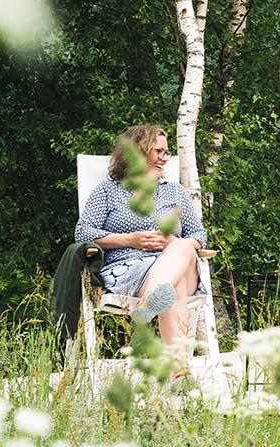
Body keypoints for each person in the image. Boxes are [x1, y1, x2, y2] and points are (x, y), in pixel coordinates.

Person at [75, 124, 206, 352]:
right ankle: (179, 374)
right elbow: (83, 232)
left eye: (167, 152)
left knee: (183, 246)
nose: (164, 158)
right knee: (174, 285)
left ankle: (149, 301)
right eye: (158, 151)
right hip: (129, 271)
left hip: (180, 263)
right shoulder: (107, 191)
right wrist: (129, 240)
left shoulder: (175, 192)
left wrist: (171, 243)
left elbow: (199, 235)